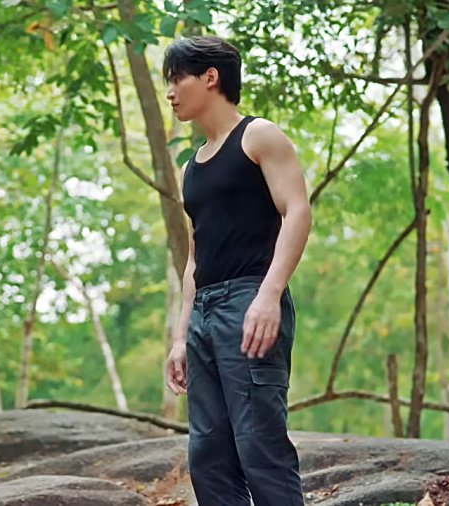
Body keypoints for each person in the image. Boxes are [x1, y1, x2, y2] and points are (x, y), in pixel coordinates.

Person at [162, 36, 312, 506]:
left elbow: (297, 211)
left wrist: (269, 295)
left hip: (250, 300)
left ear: (211, 77)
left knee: (259, 446)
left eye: (177, 79)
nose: (170, 92)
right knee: (207, 456)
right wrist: (181, 337)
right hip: (204, 314)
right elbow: (194, 258)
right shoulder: (191, 167)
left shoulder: (258, 136)